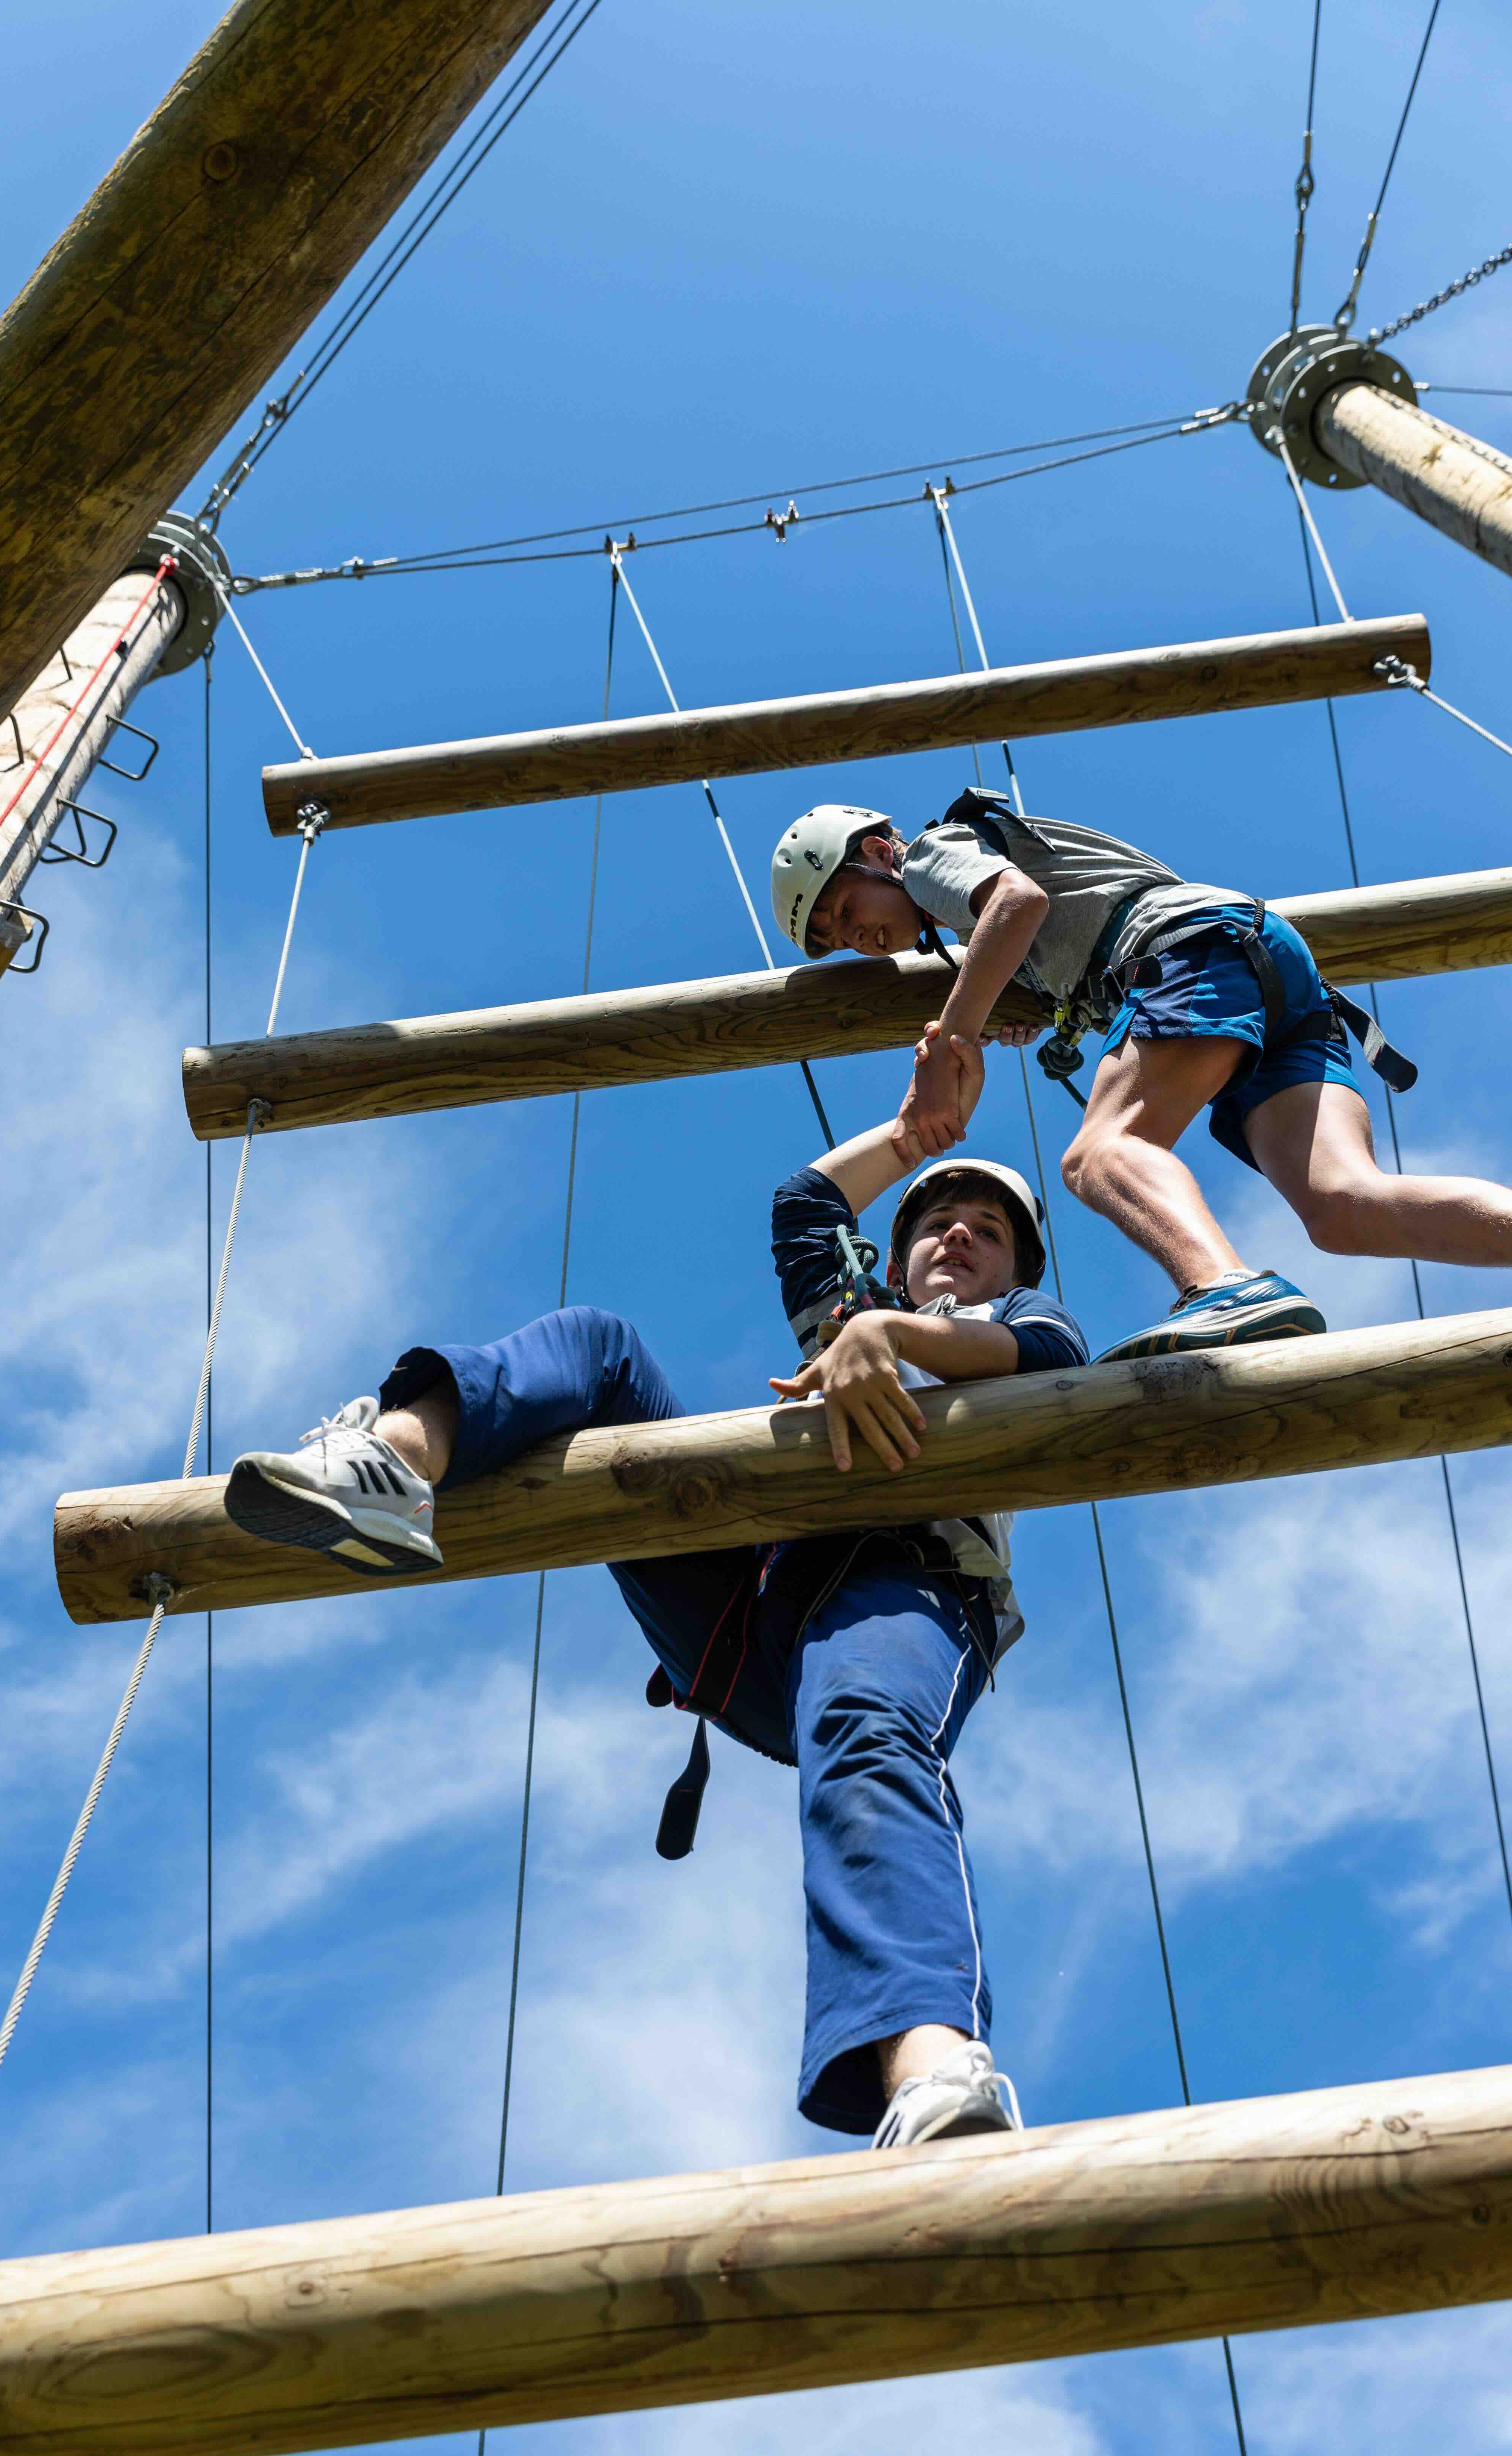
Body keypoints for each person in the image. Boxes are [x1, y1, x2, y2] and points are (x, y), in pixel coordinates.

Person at [223, 1117, 1087, 2150]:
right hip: (749, 1612)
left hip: (900, 1592)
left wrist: (891, 1339)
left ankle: (934, 2071)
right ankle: (393, 1462)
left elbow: (1044, 1350)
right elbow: (806, 1207)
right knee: (602, 1345)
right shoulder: (849, 1315)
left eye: (985, 1229)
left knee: (867, 1736)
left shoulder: (1016, 1323)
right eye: (936, 1224)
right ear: (894, 1256)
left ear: (1017, 1262)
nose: (957, 1237)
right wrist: (915, 1131)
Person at [772, 791, 1512, 1359]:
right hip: (1266, 973)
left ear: (875, 853)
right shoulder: (974, 916)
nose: (855, 939)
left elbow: (1017, 901)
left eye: (844, 908)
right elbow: (1036, 921)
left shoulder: (928, 854)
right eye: (837, 941)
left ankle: (1222, 1289)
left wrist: (947, 1044)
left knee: (1099, 1154)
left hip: (1187, 951)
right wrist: (1018, 997)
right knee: (1344, 1207)